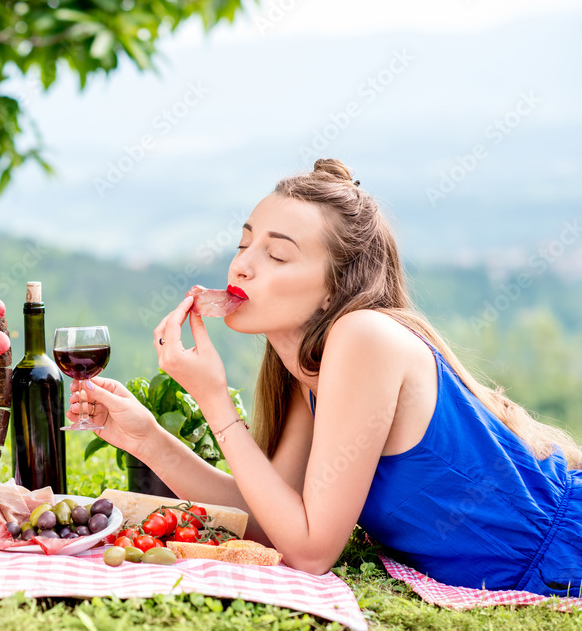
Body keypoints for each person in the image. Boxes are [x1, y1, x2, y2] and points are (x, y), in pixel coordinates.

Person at [67, 158, 582, 597]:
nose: (242, 266)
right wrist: (148, 441)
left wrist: (214, 400)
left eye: (277, 253)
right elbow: (274, 526)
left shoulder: (364, 337)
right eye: (244, 243)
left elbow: (311, 553)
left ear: (333, 292)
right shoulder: (306, 375)